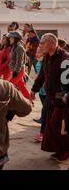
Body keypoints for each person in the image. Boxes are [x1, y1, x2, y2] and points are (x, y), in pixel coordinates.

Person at [30, 33, 69, 163]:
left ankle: (65, 152)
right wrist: (34, 89)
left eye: (42, 43)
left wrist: (59, 101)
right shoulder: (47, 57)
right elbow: (42, 76)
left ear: (52, 43)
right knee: (51, 127)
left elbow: (67, 86)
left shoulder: (65, 59)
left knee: (58, 127)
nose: (40, 45)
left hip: (63, 102)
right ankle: (59, 150)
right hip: (51, 99)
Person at [8, 31, 30, 100]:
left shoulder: (19, 47)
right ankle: (30, 100)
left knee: (9, 85)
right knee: (22, 87)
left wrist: (16, 71)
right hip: (16, 70)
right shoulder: (15, 47)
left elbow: (19, 61)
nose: (9, 39)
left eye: (11, 38)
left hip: (18, 71)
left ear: (16, 38)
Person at [33, 45, 47, 143]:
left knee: (45, 110)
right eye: (36, 52)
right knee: (44, 109)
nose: (37, 54)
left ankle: (43, 133)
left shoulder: (47, 62)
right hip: (41, 91)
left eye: (39, 52)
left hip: (47, 91)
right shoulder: (38, 62)